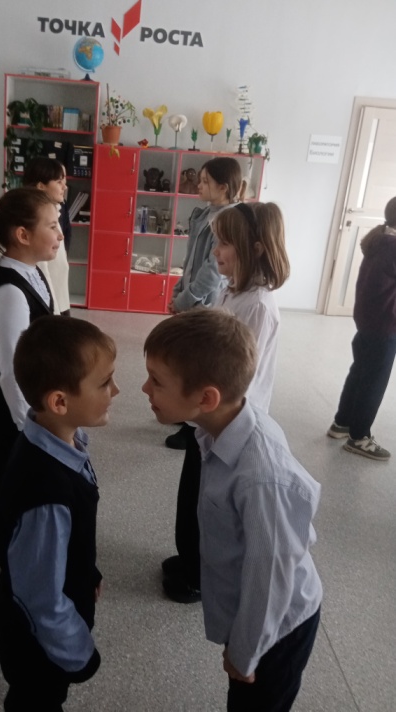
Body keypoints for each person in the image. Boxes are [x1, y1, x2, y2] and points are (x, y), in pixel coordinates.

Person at [143, 309, 321, 712]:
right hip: (253, 613)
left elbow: (269, 580)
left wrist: (244, 651)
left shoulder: (261, 478)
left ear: (206, 398)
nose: (144, 388)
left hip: (277, 628)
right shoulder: (217, 430)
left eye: (157, 381)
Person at [163, 201, 291, 603]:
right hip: (207, 419)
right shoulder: (232, 290)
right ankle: (189, 557)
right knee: (193, 495)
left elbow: (239, 374)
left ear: (255, 248)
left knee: (211, 503)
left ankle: (199, 575)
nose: (215, 251)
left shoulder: (257, 304)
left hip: (228, 424)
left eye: (224, 243)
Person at [0, 315, 119, 711]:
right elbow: (41, 598)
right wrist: (78, 652)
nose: (116, 390)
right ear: (59, 402)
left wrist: (87, 571)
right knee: (37, 700)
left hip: (52, 607)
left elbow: (67, 539)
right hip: (38, 642)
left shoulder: (61, 439)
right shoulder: (46, 491)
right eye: (105, 383)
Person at [0, 187, 63, 587]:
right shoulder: (9, 291)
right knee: (9, 487)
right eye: (52, 226)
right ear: (22, 235)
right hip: (9, 410)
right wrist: (29, 425)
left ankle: (11, 551)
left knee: (20, 484)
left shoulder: (31, 272)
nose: (60, 234)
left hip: (25, 402)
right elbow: (10, 372)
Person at [166, 156, 242, 449]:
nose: (198, 185)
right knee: (186, 359)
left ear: (224, 187)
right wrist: (179, 290)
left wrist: (185, 299)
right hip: (192, 297)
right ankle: (186, 413)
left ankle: (193, 429)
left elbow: (212, 272)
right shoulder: (205, 214)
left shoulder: (227, 220)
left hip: (206, 302)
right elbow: (190, 261)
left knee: (199, 367)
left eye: (205, 181)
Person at [327, 196, 396, 461]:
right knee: (374, 381)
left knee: (359, 373)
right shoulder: (393, 247)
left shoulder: (380, 241)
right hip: (385, 326)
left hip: (368, 322)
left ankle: (342, 423)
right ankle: (359, 437)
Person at [24, 156, 72, 315]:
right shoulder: (38, 220)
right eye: (59, 182)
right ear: (41, 186)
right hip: (51, 305)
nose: (64, 186)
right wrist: (54, 313)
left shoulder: (55, 211)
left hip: (60, 298)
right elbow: (42, 272)